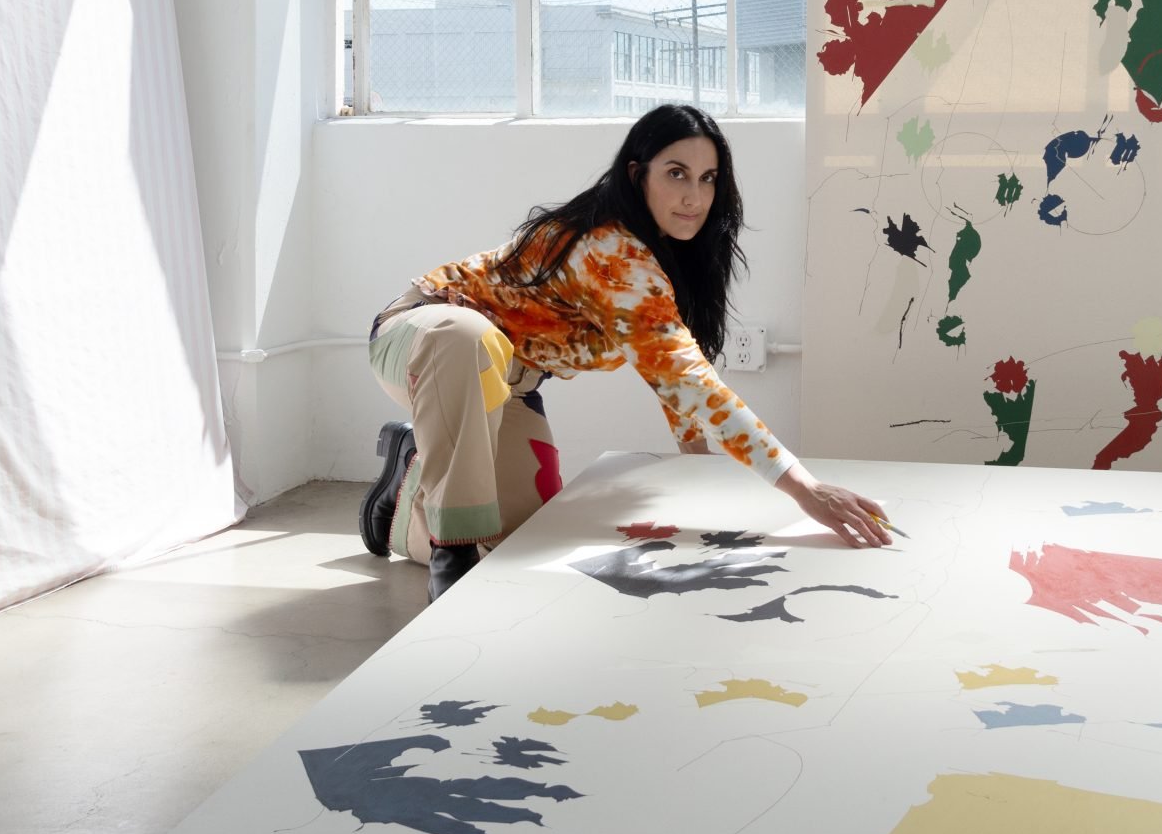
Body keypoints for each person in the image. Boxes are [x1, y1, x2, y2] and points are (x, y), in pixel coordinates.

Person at [361, 104, 891, 597]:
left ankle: (407, 485)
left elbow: (671, 372)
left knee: (515, 538)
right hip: (422, 338)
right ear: (639, 175)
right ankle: (449, 560)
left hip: (509, 384)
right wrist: (806, 490)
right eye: (676, 173)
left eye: (709, 179)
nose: (695, 197)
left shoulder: (668, 258)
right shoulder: (607, 248)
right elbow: (692, 384)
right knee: (467, 339)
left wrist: (698, 469)